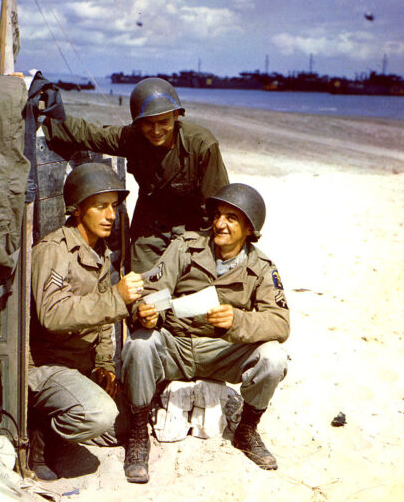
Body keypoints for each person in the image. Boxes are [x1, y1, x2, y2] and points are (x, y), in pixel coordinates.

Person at [121, 183, 290, 484]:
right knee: (138, 344)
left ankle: (247, 431)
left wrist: (237, 320)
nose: (220, 224)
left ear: (250, 229)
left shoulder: (263, 268)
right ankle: (137, 434)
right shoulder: (186, 247)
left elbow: (280, 323)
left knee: (273, 358)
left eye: (231, 218)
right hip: (176, 345)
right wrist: (146, 312)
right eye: (218, 215)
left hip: (223, 352)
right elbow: (151, 290)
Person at [28, 162, 144, 480]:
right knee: (98, 415)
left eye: (115, 207)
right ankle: (40, 440)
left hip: (79, 366)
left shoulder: (98, 252)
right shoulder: (54, 252)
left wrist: (105, 364)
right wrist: (117, 298)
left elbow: (104, 321)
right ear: (78, 210)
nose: (111, 215)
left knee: (121, 426)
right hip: (45, 368)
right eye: (101, 207)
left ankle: (62, 419)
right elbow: (51, 315)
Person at [43, 77, 229, 272]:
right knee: (142, 289)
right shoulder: (133, 138)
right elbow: (91, 134)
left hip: (193, 228)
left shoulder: (201, 146)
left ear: (176, 115)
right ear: (138, 124)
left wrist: (210, 247)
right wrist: (47, 119)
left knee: (192, 287)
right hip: (150, 228)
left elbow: (219, 205)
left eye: (163, 122)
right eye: (148, 123)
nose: (156, 130)